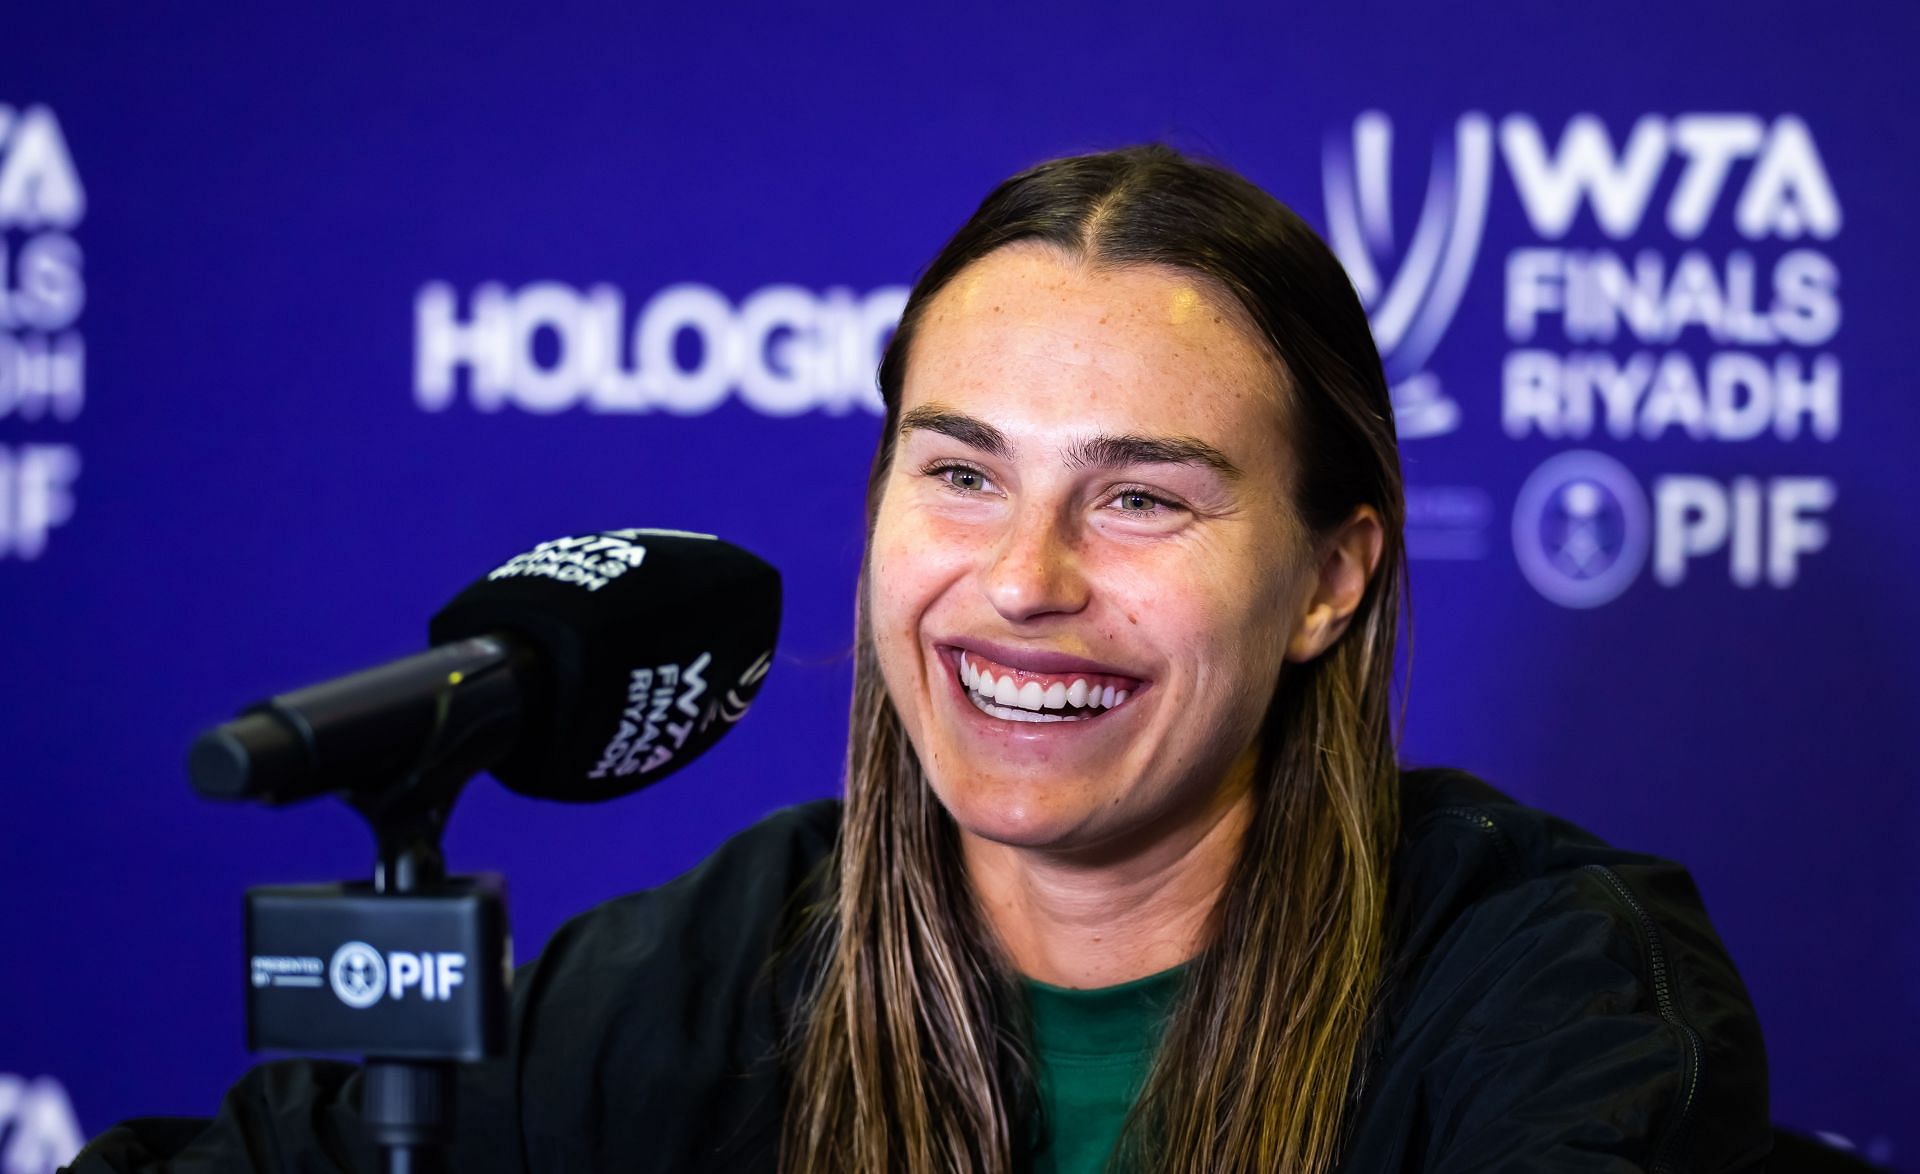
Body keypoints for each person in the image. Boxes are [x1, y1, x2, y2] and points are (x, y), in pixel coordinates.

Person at [69, 145, 1770, 1173]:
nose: (1020, 580)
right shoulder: (721, 967)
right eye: (960, 473)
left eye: (1140, 497)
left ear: (1333, 577)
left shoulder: (1545, 981)